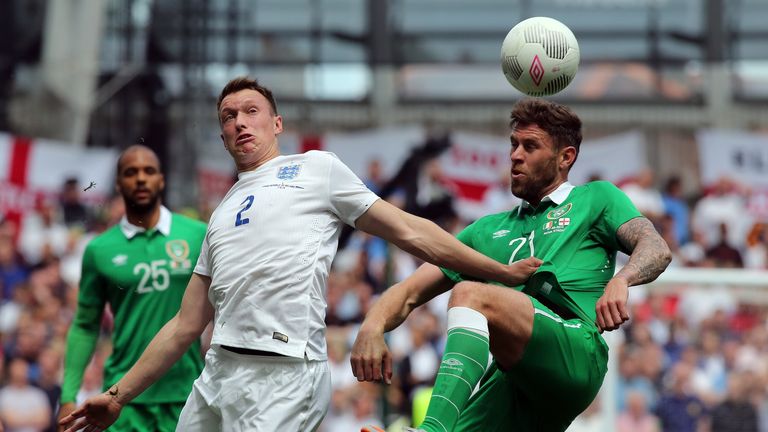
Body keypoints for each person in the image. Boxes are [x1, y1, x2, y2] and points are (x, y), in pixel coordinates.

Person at [61, 77, 540, 432]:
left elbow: (410, 231)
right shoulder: (222, 210)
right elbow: (184, 325)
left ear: (277, 123)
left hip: (284, 375)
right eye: (228, 117)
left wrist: (495, 270)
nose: (239, 121)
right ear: (222, 136)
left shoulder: (316, 170)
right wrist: (117, 396)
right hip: (217, 375)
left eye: (250, 111)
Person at [353, 98, 672, 432]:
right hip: (513, 375)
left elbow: (655, 247)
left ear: (565, 157)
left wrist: (622, 279)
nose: (516, 155)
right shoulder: (486, 231)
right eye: (514, 144)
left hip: (575, 351)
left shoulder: (595, 199)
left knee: (470, 295)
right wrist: (372, 325)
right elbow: (407, 292)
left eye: (530, 146)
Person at [57, 145, 208, 432]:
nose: (140, 178)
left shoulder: (198, 235)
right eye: (131, 172)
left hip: (187, 395)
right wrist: (68, 395)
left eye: (148, 171)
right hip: (121, 400)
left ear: (161, 180)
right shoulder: (99, 250)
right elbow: (86, 325)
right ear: (118, 183)